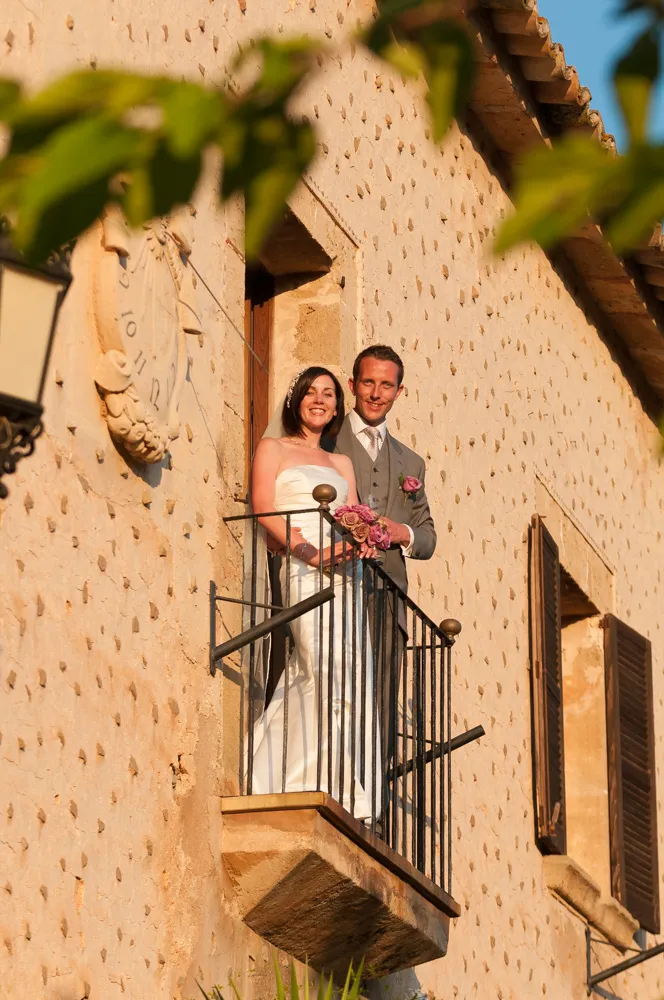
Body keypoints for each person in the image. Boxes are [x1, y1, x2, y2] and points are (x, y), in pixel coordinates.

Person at [248, 366, 381, 820]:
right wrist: (308, 551)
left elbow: (356, 516)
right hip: (303, 566)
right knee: (319, 664)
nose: (320, 400)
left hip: (346, 577)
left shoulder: (342, 464)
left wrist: (364, 539)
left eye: (328, 394)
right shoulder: (273, 448)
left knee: (347, 674)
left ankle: (316, 779)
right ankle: (314, 778)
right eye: (311, 392)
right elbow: (264, 508)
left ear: (337, 407)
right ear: (296, 400)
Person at [332, 345, 436, 776]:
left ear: (399, 391)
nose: (376, 393)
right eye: (368, 383)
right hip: (332, 580)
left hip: (387, 597)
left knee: (380, 696)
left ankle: (370, 794)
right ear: (353, 385)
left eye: (386, 385)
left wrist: (402, 532)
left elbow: (428, 538)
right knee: (332, 686)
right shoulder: (324, 436)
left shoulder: (411, 462)